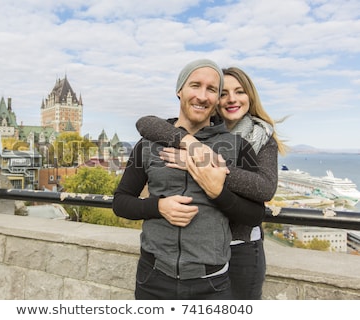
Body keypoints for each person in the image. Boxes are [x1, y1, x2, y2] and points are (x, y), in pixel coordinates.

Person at [112, 59, 265, 300]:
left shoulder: (238, 148)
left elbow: (256, 215)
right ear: (179, 90)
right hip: (152, 278)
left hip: (211, 284)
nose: (202, 96)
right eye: (195, 85)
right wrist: (158, 206)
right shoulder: (148, 145)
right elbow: (120, 202)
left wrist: (218, 193)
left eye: (212, 89)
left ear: (216, 99)